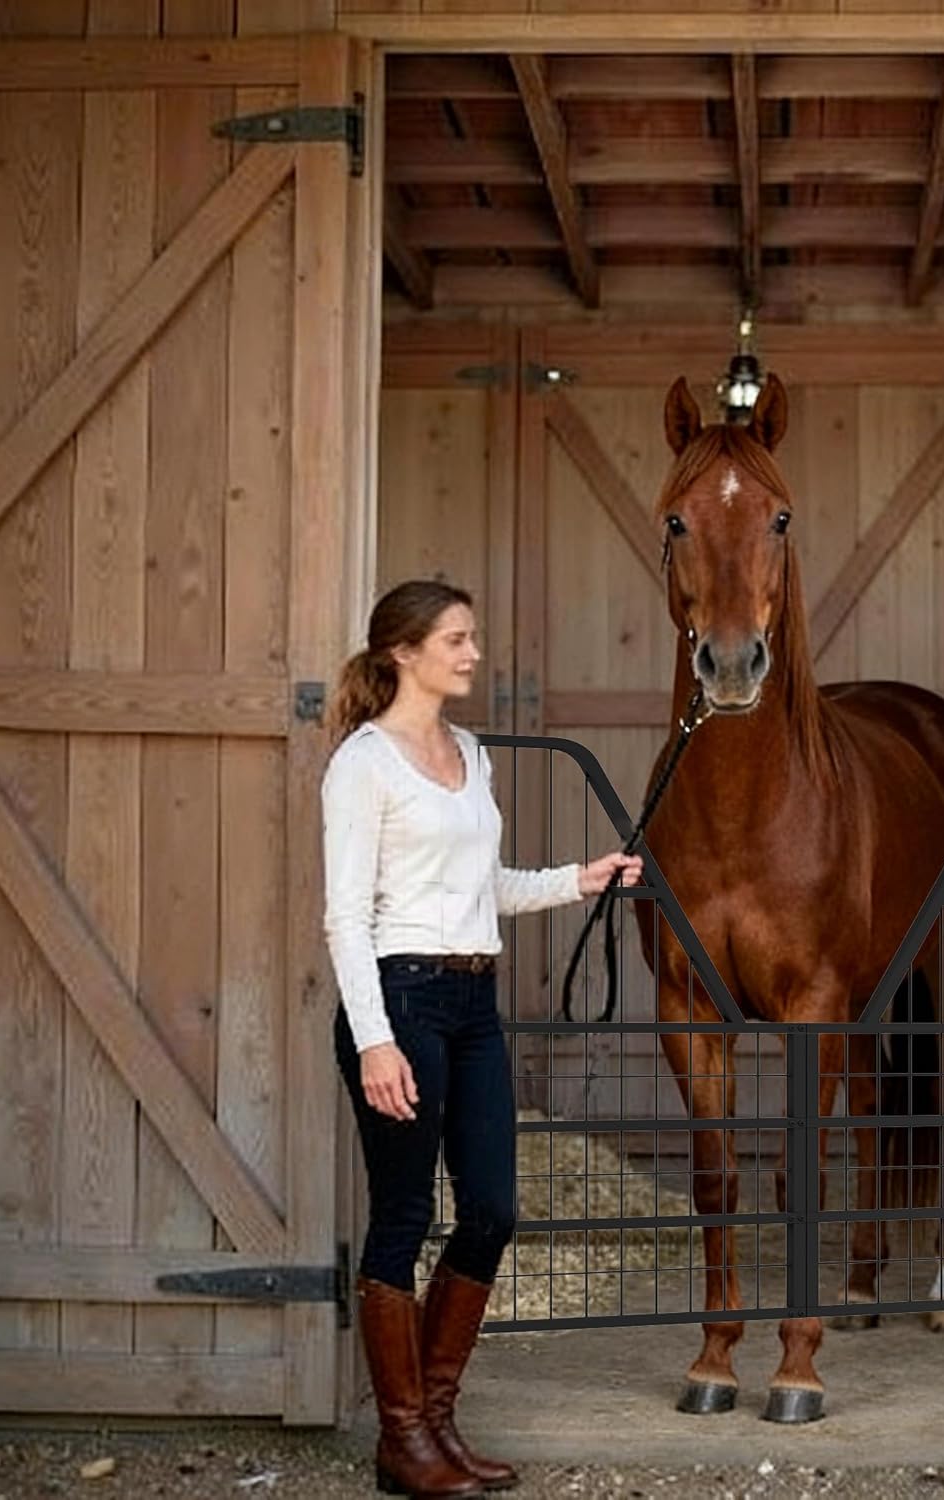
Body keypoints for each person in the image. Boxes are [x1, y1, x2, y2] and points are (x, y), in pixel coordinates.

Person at [321, 578, 641, 1499]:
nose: (471, 653)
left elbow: (482, 886)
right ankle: (404, 1437)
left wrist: (575, 882)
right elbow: (347, 919)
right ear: (404, 653)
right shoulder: (363, 764)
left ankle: (433, 1423)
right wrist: (376, 1041)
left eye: (471, 637)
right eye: (456, 639)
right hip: (400, 1001)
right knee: (403, 1218)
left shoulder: (468, 752)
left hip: (471, 1005)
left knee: (495, 1211)